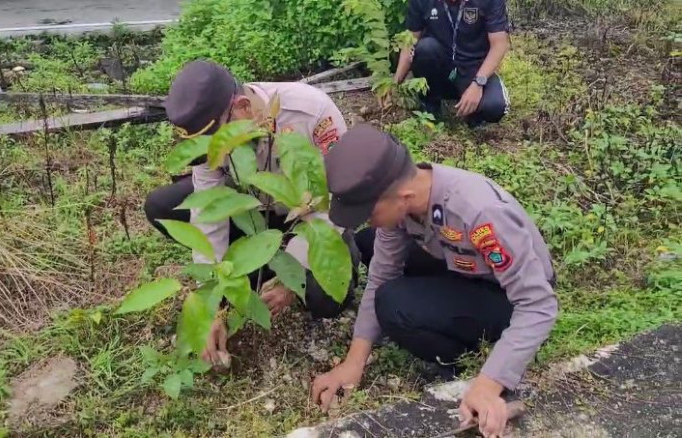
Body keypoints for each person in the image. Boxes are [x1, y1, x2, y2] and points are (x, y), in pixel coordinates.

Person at [311, 124, 557, 437]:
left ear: (402, 196)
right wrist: (353, 362)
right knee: (369, 241)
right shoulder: (411, 199)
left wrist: (488, 384)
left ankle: (459, 358)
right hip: (465, 266)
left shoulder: (479, 214)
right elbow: (382, 272)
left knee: (394, 304)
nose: (365, 218)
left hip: (507, 296)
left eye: (368, 211)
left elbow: (538, 304)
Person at [144, 60, 359, 365]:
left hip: (309, 218)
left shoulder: (311, 113)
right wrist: (213, 301)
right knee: (163, 206)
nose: (217, 153)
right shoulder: (213, 132)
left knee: (326, 301)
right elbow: (210, 211)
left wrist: (292, 274)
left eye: (221, 144)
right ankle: (257, 266)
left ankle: (287, 265)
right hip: (253, 212)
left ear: (243, 107)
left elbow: (337, 197)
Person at [393, 0, 511, 125]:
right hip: (440, 66)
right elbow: (409, 41)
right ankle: (430, 105)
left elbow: (499, 45)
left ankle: (474, 114)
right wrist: (394, 85)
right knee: (426, 48)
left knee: (495, 107)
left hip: (474, 67)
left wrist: (478, 83)